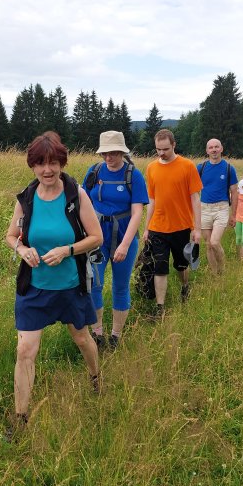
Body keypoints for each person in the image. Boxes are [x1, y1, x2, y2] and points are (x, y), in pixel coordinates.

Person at [5, 132, 103, 432]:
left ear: (62, 163)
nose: (47, 170)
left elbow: (96, 238)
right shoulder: (27, 198)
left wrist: (67, 250)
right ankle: (21, 419)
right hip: (34, 288)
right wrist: (22, 249)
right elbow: (10, 236)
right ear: (32, 166)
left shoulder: (76, 196)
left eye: (53, 163)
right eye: (40, 164)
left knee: (82, 338)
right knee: (25, 350)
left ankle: (96, 378)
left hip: (70, 287)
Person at [82, 131, 149, 350]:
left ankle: (116, 336)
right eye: (105, 153)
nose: (108, 158)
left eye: (113, 153)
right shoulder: (94, 171)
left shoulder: (133, 175)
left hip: (124, 234)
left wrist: (125, 244)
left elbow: (137, 212)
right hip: (97, 235)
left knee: (120, 286)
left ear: (122, 152)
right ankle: (97, 334)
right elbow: (83, 200)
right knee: (94, 284)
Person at [143, 128, 203, 315]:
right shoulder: (151, 168)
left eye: (165, 149)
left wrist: (197, 229)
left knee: (181, 265)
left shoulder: (187, 166)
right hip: (158, 227)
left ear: (174, 145)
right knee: (160, 267)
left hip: (181, 226)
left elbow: (196, 199)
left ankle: (185, 286)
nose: (161, 153)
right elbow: (151, 200)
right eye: (158, 149)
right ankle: (160, 307)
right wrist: (146, 228)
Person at [196, 138, 238, 274]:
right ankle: (215, 274)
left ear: (221, 149)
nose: (214, 150)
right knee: (208, 244)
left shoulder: (228, 168)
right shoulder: (200, 168)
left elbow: (234, 192)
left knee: (214, 242)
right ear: (207, 150)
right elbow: (193, 191)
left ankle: (222, 269)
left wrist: (234, 214)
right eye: (211, 147)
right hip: (204, 208)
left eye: (216, 147)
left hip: (222, 208)